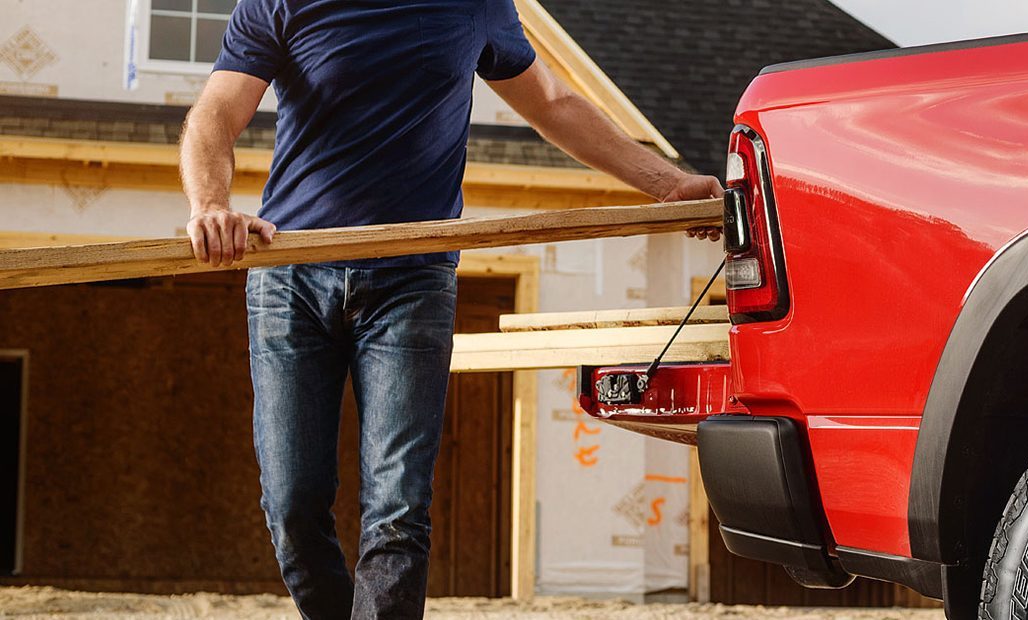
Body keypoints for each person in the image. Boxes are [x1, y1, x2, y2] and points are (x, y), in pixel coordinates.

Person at [178, 1, 722, 617]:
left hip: (413, 276)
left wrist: (666, 183)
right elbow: (217, 113)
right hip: (292, 277)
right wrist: (210, 204)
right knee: (292, 508)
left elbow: (551, 103)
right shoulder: (280, 2)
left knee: (398, 509)